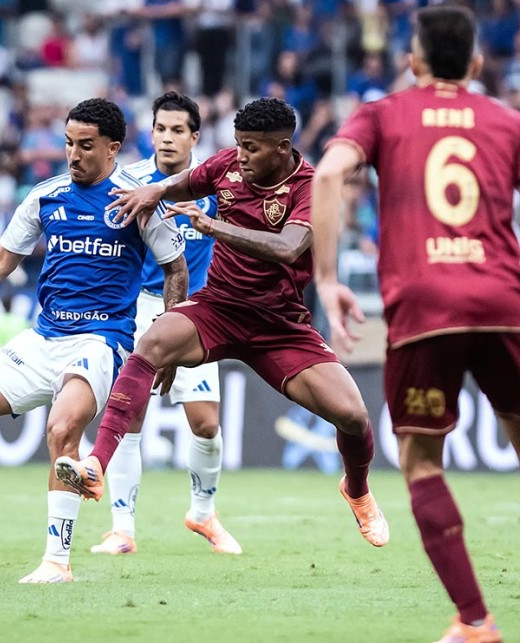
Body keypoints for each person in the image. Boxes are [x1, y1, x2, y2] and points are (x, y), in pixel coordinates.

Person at [310, 5, 520, 643]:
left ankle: (475, 620)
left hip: (420, 309)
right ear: (477, 62)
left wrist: (327, 279)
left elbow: (327, 174)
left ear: (412, 60)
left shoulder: (382, 113)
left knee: (420, 461)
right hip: (502, 302)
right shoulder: (514, 122)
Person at [55, 97, 390, 550]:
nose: (242, 156)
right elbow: (186, 182)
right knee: (151, 343)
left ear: (282, 148)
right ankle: (96, 465)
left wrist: (212, 227)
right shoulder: (227, 164)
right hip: (219, 307)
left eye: (252, 148)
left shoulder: (309, 188)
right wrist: (153, 192)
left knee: (353, 417)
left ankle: (357, 489)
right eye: (238, 144)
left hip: (279, 326)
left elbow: (288, 247)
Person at [0, 99, 188, 584]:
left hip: (101, 341)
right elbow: (0, 261)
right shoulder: (45, 196)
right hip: (44, 337)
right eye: (68, 143)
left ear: (113, 148)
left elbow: (175, 269)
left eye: (86, 145)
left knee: (61, 429)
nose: (73, 154)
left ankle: (57, 561)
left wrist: (171, 340)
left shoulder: (137, 201)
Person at [92, 92, 240, 556]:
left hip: (196, 310)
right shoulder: (131, 181)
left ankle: (203, 513)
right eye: (161, 129)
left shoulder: (212, 185)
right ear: (151, 132)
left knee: (206, 424)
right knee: (130, 412)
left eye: (178, 130)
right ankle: (122, 529)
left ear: (195, 137)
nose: (168, 138)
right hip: (138, 306)